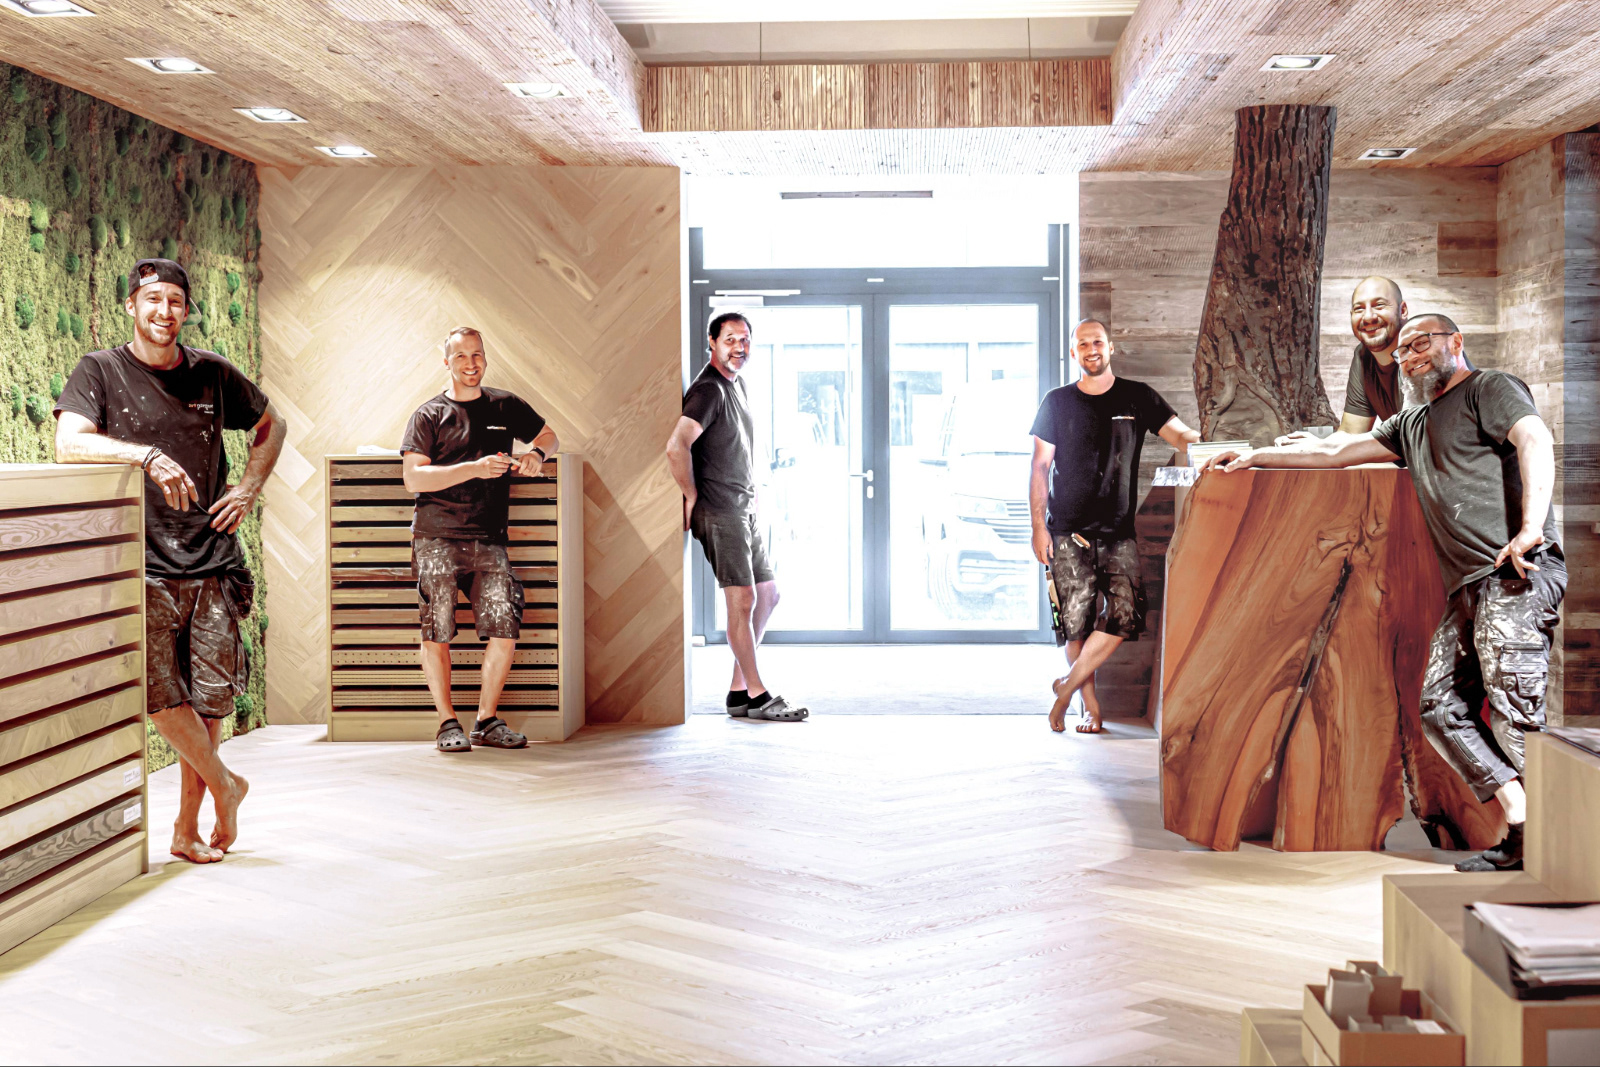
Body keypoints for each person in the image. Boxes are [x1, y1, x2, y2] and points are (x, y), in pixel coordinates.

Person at [1202, 314, 1562, 872]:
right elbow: (1334, 453)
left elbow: (1534, 437)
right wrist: (1255, 456)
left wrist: (1532, 527)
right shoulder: (1410, 422)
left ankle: (1563, 849)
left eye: (1422, 344)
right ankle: (1521, 826)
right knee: (1439, 707)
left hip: (1514, 572)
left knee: (1515, 711)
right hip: (1467, 586)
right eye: (1403, 352)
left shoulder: (1488, 388)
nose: (1411, 357)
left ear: (1455, 342)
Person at [54, 258, 285, 864]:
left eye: (176, 301)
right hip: (142, 563)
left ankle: (186, 830)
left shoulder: (212, 373)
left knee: (208, 702)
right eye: (153, 299)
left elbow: (272, 425)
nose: (164, 311)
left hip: (213, 559)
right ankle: (226, 785)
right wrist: (146, 456)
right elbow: (69, 442)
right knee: (160, 698)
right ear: (132, 306)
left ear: (186, 310)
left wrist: (249, 489)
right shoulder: (100, 370)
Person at [1033, 319, 1200, 733]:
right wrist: (1037, 527)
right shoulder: (1056, 402)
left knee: (1126, 615)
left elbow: (1182, 436)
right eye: (1083, 344)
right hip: (1066, 532)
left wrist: (1218, 447)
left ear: (1111, 348)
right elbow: (1039, 467)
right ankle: (1090, 709)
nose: (1091, 349)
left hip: (1118, 532)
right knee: (1076, 625)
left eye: (1098, 342)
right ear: (1073, 353)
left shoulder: (1138, 396)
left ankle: (1065, 689)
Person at [401, 327, 559, 753]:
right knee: (437, 631)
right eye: (461, 356)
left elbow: (549, 435)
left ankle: (486, 721)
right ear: (446, 362)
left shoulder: (505, 405)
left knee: (505, 627)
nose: (471, 364)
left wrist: (536, 454)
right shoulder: (428, 415)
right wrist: (474, 468)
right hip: (436, 537)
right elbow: (413, 478)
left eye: (477, 355)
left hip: (490, 539)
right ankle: (446, 723)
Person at [666, 312, 807, 722]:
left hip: (743, 508)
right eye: (730, 339)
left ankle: (738, 691)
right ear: (712, 342)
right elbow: (677, 446)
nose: (739, 347)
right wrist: (691, 494)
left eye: (745, 340)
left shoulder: (736, 385)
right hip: (720, 511)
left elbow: (735, 445)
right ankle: (759, 695)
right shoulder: (708, 390)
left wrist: (752, 488)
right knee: (742, 599)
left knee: (768, 594)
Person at [1278, 276, 1408, 448]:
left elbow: (1415, 439)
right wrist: (1317, 445)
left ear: (1403, 310)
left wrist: (1325, 449)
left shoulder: (1422, 352)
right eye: (1359, 309)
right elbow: (1351, 432)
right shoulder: (1363, 357)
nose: (1368, 317)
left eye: (1379, 305)